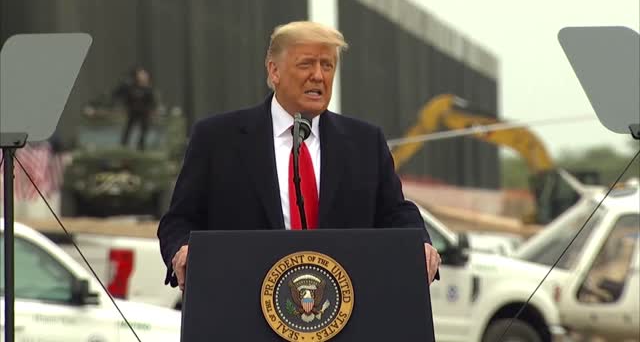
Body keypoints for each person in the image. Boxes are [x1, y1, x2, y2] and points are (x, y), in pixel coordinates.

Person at [157, 21, 441, 291]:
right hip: (242, 306)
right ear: (274, 71)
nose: (318, 75)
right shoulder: (217, 139)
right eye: (306, 64)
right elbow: (179, 220)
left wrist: (419, 242)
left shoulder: (365, 143)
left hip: (342, 314)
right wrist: (182, 249)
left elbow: (395, 213)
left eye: (327, 65)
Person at [113, 66, 156, 150]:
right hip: (132, 111)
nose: (143, 77)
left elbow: (152, 101)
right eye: (141, 75)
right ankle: (123, 144)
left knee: (144, 128)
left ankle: (141, 145)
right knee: (129, 128)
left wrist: (152, 110)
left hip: (143, 112)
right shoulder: (129, 87)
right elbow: (117, 94)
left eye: (144, 75)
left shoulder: (148, 89)